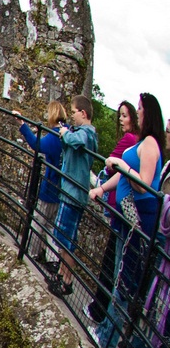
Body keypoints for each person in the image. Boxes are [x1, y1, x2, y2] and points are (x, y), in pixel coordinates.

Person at [88, 93, 164, 342]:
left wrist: (121, 163)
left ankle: (106, 340)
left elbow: (142, 184)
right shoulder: (143, 142)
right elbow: (123, 178)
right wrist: (102, 188)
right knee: (118, 277)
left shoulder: (150, 143)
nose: (138, 112)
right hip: (125, 219)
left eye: (140, 108)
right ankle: (105, 335)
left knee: (124, 283)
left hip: (137, 221)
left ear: (148, 112)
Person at [87, 100, 142, 321]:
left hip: (119, 210)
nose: (121, 119)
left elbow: (111, 163)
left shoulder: (131, 140)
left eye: (126, 115)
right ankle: (101, 313)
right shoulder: (137, 142)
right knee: (114, 265)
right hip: (119, 207)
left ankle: (99, 313)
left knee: (112, 265)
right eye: (120, 115)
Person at [42, 95, 98, 298]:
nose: (72, 116)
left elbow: (77, 141)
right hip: (70, 192)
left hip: (74, 194)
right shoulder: (82, 132)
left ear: (83, 113)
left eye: (73, 112)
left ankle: (66, 280)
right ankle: (61, 274)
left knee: (67, 240)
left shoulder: (87, 133)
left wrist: (64, 133)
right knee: (64, 238)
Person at [13, 100, 66, 265]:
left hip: (50, 186)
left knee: (38, 220)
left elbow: (38, 145)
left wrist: (22, 125)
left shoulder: (55, 137)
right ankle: (52, 260)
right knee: (51, 226)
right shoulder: (67, 132)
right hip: (62, 188)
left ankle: (31, 253)